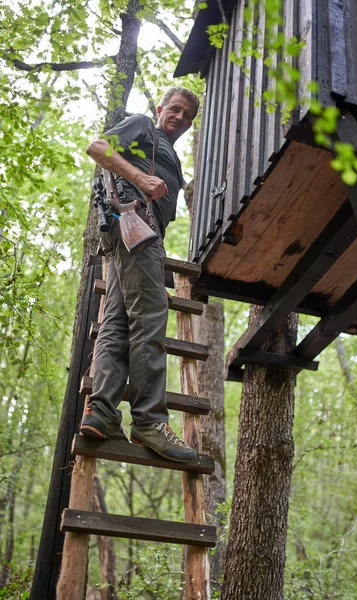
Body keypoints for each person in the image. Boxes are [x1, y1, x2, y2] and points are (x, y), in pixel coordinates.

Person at [80, 87, 200, 463]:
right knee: (149, 320)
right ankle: (149, 420)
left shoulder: (170, 156)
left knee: (116, 322)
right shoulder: (143, 126)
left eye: (188, 116)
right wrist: (141, 179)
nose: (180, 118)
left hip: (132, 238)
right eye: (175, 110)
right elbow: (99, 148)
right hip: (133, 227)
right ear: (161, 108)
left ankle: (101, 413)